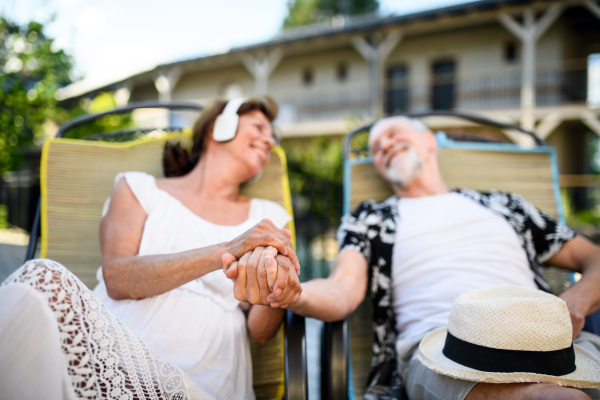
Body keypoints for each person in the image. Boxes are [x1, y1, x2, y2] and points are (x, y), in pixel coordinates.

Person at [224, 116, 600, 400]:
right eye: (375, 148)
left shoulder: (505, 205)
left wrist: (574, 303)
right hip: (443, 349)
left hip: (549, 339)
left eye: (394, 135)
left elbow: (594, 259)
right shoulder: (372, 219)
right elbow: (343, 290)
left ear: (430, 141)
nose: (384, 146)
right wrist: (296, 294)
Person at [0, 97, 302, 400]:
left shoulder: (269, 217)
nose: (270, 141)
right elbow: (118, 278)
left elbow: (260, 332)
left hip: (204, 376)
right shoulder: (138, 188)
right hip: (110, 349)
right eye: (259, 128)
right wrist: (227, 249)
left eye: (273, 136)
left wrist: (277, 291)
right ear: (218, 127)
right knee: (43, 277)